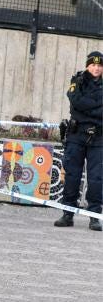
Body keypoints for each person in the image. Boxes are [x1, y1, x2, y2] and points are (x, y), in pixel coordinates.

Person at [54, 51, 102, 231]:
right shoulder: (78, 80)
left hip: (99, 137)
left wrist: (86, 107)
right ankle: (68, 214)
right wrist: (97, 105)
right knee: (72, 175)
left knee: (96, 178)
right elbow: (75, 102)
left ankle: (94, 216)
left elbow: (82, 105)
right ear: (87, 66)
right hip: (77, 135)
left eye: (100, 65)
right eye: (93, 65)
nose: (96, 68)